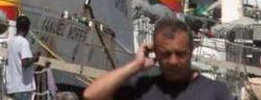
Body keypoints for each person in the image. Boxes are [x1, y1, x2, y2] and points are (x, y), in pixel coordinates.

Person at [83, 18, 231, 100]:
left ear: (192, 51)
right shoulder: (142, 87)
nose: (173, 61)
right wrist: (136, 65)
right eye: (166, 54)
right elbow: (91, 95)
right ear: (155, 53)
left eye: (180, 54)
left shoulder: (215, 92)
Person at [6, 15, 41, 100]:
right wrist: (34, 58)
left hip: (13, 86)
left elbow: (18, 59)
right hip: (23, 87)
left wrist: (31, 56)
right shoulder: (24, 42)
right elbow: (25, 63)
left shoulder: (11, 42)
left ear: (17, 26)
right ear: (27, 28)